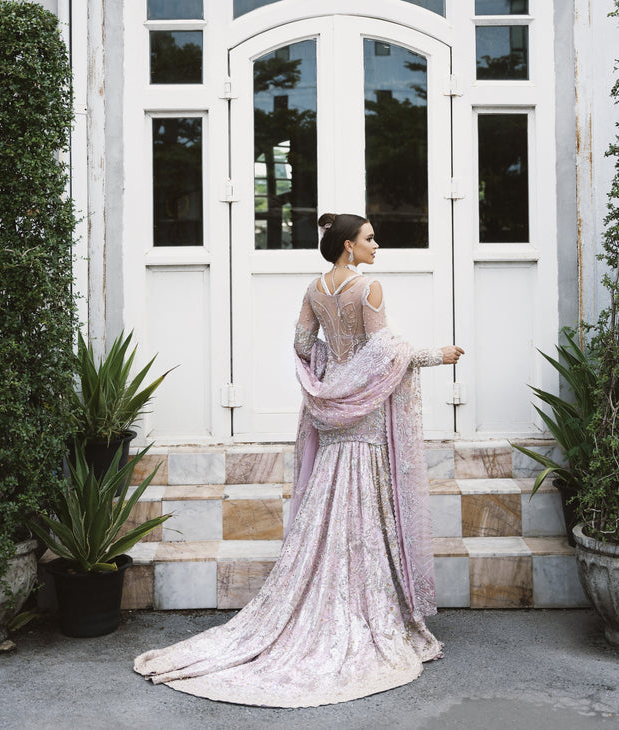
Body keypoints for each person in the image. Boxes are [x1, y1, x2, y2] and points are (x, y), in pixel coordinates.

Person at [134, 212, 464, 708]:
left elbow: (302, 345)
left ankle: (320, 598)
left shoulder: (314, 289)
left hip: (332, 411)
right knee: (364, 503)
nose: (378, 245)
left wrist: (331, 378)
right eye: (370, 238)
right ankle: (360, 606)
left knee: (329, 496)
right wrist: (436, 355)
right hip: (365, 415)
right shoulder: (368, 289)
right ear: (348, 246)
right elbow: (385, 355)